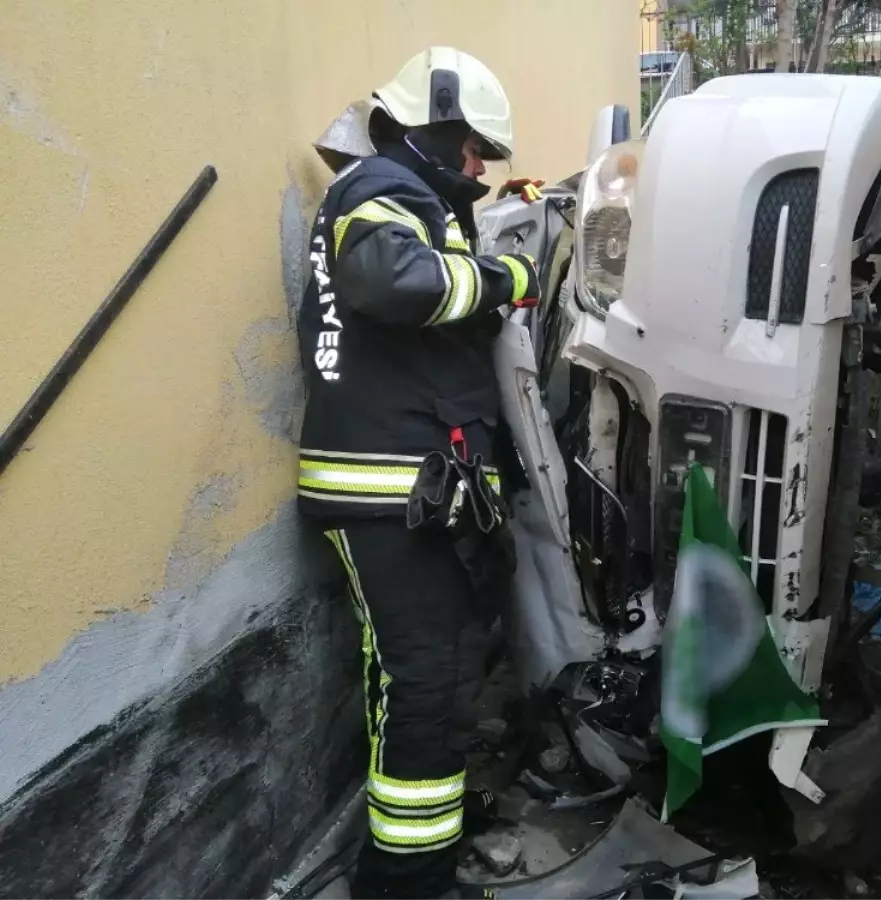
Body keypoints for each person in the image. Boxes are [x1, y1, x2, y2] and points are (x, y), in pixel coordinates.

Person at [296, 47, 540, 900]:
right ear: (433, 125)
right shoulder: (381, 188)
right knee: (424, 676)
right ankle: (406, 877)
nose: (478, 169)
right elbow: (393, 281)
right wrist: (506, 277)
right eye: (473, 148)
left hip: (406, 487)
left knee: (436, 669)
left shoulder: (398, 192)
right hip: (386, 490)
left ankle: (427, 838)